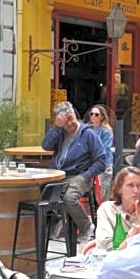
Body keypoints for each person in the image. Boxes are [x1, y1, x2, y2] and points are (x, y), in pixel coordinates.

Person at [41, 101, 108, 241]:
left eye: (70, 118)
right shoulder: (60, 132)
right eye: (64, 122)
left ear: (74, 114)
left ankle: (86, 227)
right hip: (57, 175)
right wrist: (56, 127)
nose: (69, 124)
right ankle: (53, 225)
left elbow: (102, 160)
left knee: (69, 197)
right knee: (40, 192)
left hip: (79, 175)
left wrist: (86, 175)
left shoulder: (88, 134)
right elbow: (46, 146)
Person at [94, 166, 140, 251]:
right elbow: (105, 245)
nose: (136, 190)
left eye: (139, 186)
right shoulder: (107, 209)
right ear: (119, 189)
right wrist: (129, 239)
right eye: (130, 185)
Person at [86, 103, 115, 202]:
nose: (93, 116)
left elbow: (104, 148)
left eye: (96, 114)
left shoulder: (106, 131)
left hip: (103, 164)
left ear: (102, 116)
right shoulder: (86, 129)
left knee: (103, 193)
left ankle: (104, 215)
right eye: (91, 114)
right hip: (88, 165)